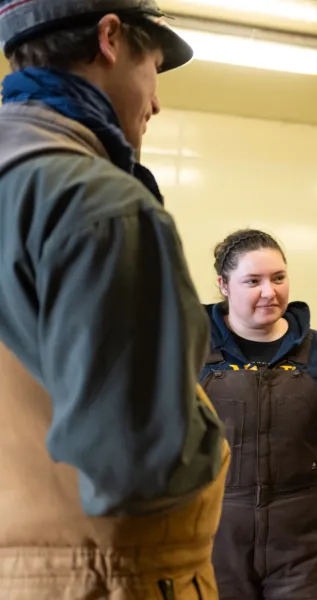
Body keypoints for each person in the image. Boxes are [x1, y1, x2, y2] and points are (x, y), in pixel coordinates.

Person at [0, 1, 229, 598]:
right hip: (103, 572)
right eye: (152, 67)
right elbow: (139, 467)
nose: (155, 102)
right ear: (109, 39)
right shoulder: (100, 204)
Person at [201, 228, 317, 600]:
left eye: (278, 278)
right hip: (214, 537)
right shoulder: (191, 350)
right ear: (224, 285)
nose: (269, 292)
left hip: (302, 541)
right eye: (252, 281)